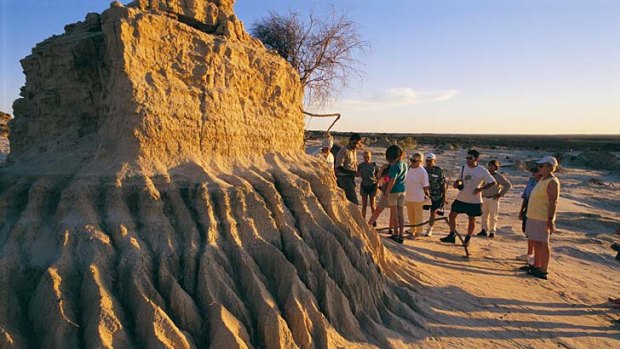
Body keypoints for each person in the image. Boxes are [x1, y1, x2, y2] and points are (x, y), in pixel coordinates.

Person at [440, 149, 496, 247]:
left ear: (476, 159)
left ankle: (468, 238)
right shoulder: (463, 168)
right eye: (467, 158)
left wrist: (480, 189)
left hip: (474, 200)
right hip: (461, 197)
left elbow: (493, 182)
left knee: (472, 219)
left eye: (470, 158)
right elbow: (458, 181)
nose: (468, 160)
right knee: (452, 215)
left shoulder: (482, 170)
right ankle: (452, 234)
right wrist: (456, 184)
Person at [523, 155, 560, 280]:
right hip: (534, 216)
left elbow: (553, 201)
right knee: (536, 242)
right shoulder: (542, 179)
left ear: (550, 167)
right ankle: (536, 265)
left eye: (541, 166)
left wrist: (550, 220)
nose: (538, 168)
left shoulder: (552, 182)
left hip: (542, 218)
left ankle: (543, 270)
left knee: (543, 243)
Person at [478, 160, 512, 238]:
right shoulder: (485, 175)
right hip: (484, 197)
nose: (490, 167)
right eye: (489, 165)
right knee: (484, 215)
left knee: (493, 216)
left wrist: (500, 194)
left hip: (493, 198)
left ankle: (492, 231)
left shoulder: (498, 177)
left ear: (495, 167)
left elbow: (508, 185)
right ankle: (484, 230)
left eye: (492, 165)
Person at [517, 165, 542, 262]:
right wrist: (521, 210)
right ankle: (529, 253)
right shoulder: (531, 181)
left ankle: (536, 256)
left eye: (535, 172)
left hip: (537, 208)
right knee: (528, 231)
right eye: (533, 172)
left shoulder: (543, 183)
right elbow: (525, 196)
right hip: (528, 206)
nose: (533, 174)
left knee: (536, 233)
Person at [384, 145, 407, 243]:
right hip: (402, 190)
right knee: (401, 214)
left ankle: (396, 234)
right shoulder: (404, 164)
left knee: (394, 214)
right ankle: (401, 235)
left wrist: (386, 192)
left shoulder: (395, 166)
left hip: (394, 191)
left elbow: (392, 180)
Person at [405, 152, 429, 239]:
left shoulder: (422, 171)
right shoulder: (410, 169)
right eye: (411, 160)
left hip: (418, 197)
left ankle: (418, 233)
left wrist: (422, 193)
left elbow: (426, 186)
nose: (412, 162)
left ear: (420, 161)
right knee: (411, 216)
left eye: (414, 161)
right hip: (409, 196)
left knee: (418, 216)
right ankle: (412, 231)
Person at [424, 152, 447, 236]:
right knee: (418, 210)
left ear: (434, 161)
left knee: (433, 212)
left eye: (430, 161)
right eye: (427, 160)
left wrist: (444, 195)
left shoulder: (438, 171)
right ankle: (415, 227)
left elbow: (443, 183)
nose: (429, 162)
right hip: (425, 194)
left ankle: (430, 229)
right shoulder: (423, 170)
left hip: (436, 195)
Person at [335, 133, 362, 204]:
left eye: (357, 144)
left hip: (351, 178)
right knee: (354, 202)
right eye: (354, 143)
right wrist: (353, 173)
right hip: (344, 178)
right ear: (350, 141)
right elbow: (339, 167)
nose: (355, 145)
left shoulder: (354, 151)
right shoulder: (344, 150)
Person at [368, 164, 393, 230]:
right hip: (385, 192)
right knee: (378, 210)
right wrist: (382, 168)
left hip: (389, 192)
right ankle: (369, 224)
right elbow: (378, 176)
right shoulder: (387, 168)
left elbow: (387, 180)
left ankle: (391, 229)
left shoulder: (394, 169)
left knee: (391, 212)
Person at [358, 151, 380, 221]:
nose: (366, 158)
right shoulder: (361, 166)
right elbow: (357, 172)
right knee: (364, 205)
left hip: (372, 185)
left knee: (372, 205)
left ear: (370, 157)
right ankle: (363, 220)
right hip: (364, 185)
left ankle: (374, 220)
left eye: (368, 157)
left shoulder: (374, 165)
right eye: (365, 157)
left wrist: (377, 186)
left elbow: (378, 176)